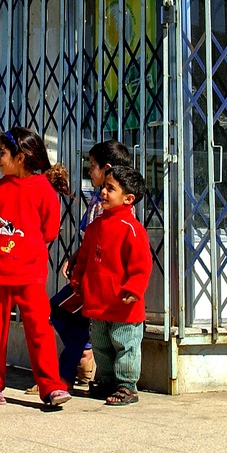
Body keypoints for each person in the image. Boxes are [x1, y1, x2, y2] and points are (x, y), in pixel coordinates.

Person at [0, 127, 73, 407]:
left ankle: (50, 386)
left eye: (3, 153)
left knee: (40, 330)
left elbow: (49, 230)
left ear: (21, 157)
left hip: (30, 274)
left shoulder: (44, 191)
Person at [47, 140, 131, 391]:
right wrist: (75, 259)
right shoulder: (98, 198)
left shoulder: (116, 205)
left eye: (92, 166)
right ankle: (81, 363)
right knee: (70, 315)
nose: (89, 171)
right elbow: (91, 238)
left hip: (99, 277)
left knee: (58, 309)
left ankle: (69, 371)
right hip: (88, 271)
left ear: (107, 168)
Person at [69, 165, 152, 406]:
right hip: (98, 302)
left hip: (124, 305)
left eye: (110, 188)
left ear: (128, 199)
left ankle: (127, 386)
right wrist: (77, 280)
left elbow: (141, 266)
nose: (104, 192)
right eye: (104, 187)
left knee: (126, 346)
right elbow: (84, 259)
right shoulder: (95, 227)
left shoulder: (132, 230)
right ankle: (106, 381)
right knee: (102, 346)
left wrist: (134, 289)